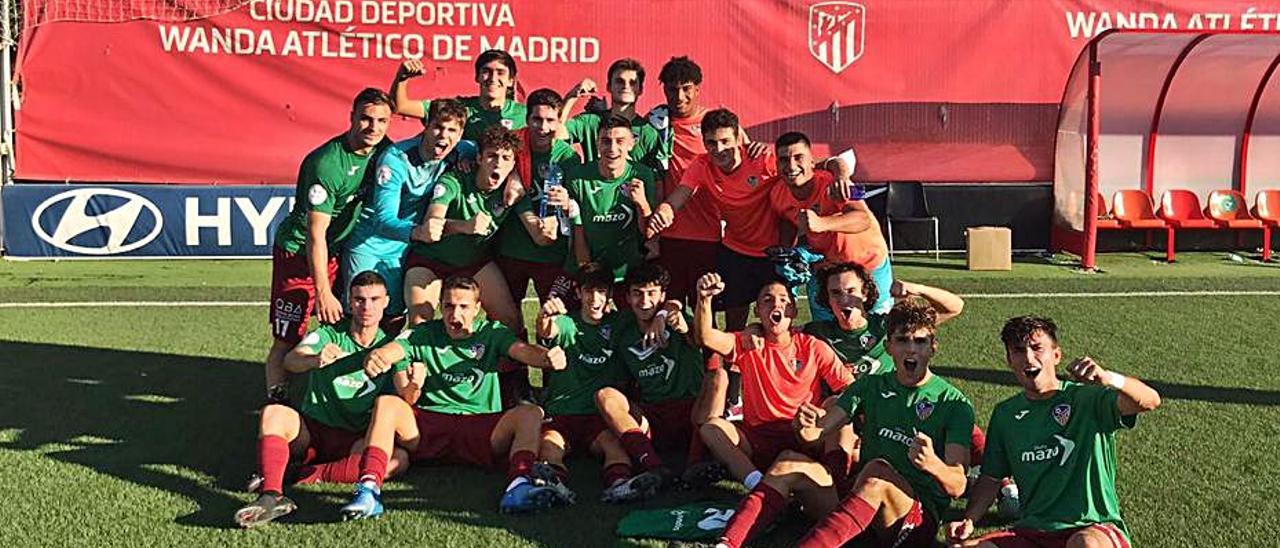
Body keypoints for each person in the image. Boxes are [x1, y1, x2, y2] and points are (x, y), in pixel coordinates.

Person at [338, 276, 572, 519]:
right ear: (440, 307)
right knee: (388, 404)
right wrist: (379, 356)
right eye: (448, 306)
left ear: (477, 308)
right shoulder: (423, 333)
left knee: (530, 413)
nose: (454, 314)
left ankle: (519, 486)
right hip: (429, 425)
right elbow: (394, 349)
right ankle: (368, 490)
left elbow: (522, 351)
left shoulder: (492, 332)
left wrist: (547, 358)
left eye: (463, 307)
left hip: (479, 425)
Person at [944, 316, 1161, 548]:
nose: (1029, 358)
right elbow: (991, 478)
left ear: (1056, 355)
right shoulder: (1006, 414)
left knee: (1085, 545)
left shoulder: (1086, 398)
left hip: (1092, 527)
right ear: (1009, 360)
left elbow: (1150, 400)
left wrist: (1110, 379)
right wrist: (969, 519)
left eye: (1037, 348)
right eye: (1018, 351)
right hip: (1033, 532)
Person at [781, 300, 975, 548]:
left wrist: (933, 464)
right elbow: (814, 434)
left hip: (915, 521)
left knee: (877, 473)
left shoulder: (954, 404)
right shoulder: (869, 386)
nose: (911, 349)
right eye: (903, 340)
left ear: (933, 348)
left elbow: (958, 486)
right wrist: (804, 424)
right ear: (888, 347)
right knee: (787, 465)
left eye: (921, 341)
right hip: (867, 501)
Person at [235, 271, 408, 527]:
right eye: (359, 299)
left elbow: (406, 396)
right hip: (312, 431)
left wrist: (413, 381)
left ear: (386, 302)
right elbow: (290, 360)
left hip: (356, 438)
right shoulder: (329, 334)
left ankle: (303, 475)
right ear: (349, 302)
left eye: (374, 299)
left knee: (398, 460)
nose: (366, 307)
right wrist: (315, 359)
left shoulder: (391, 347)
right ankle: (271, 494)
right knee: (274, 413)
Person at [266, 88, 392, 399]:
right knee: (288, 336)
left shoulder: (383, 151)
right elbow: (315, 234)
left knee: (348, 323)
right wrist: (323, 292)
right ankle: (277, 400)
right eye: (365, 119)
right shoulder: (326, 164)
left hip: (338, 252)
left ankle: (338, 395)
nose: (373, 127)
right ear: (351, 118)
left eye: (381, 121)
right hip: (299, 254)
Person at [690, 272, 853, 491]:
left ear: (793, 312)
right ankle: (757, 484)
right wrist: (704, 299)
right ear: (757, 312)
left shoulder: (812, 347)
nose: (776, 304)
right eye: (767, 300)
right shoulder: (747, 343)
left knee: (838, 405)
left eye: (784, 300)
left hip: (803, 432)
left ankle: (835, 483)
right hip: (758, 437)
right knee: (712, 428)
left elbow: (851, 390)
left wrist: (823, 415)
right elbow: (706, 337)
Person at [594, 262, 720, 501]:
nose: (644, 302)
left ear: (662, 295)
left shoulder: (677, 317)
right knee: (605, 395)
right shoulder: (623, 329)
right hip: (654, 417)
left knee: (718, 375)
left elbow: (698, 340)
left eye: (651, 293)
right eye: (637, 294)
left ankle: (695, 463)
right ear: (628, 297)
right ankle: (653, 467)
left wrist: (675, 321)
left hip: (692, 412)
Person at [343, 99, 475, 322]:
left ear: (461, 133)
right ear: (426, 126)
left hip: (406, 248)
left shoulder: (463, 150)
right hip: (370, 243)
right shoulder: (395, 159)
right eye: (438, 127)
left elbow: (488, 152)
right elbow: (383, 220)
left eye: (452, 130)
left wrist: (469, 159)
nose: (444, 136)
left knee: (394, 317)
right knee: (362, 314)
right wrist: (419, 232)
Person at [648, 108, 777, 332]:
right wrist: (665, 211)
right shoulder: (702, 164)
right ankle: (729, 366)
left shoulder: (762, 159)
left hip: (772, 252)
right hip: (737, 250)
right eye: (712, 143)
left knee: (777, 316)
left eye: (725, 141)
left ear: (738, 138)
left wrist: (839, 169)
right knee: (733, 323)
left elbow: (807, 171)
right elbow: (680, 195)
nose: (719, 149)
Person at [401, 126, 524, 328]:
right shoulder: (454, 180)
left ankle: (499, 360)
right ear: (479, 159)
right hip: (430, 260)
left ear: (513, 164)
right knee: (420, 322)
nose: (498, 164)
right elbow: (431, 224)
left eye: (505, 158)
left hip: (472, 262)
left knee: (511, 321)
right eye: (492, 156)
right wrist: (463, 226)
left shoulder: (512, 189)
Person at [533, 264, 634, 502]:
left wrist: (664, 314)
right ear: (578, 293)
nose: (595, 299)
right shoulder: (568, 323)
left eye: (601, 291)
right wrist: (544, 317)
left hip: (597, 417)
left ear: (610, 294)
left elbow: (653, 310)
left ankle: (621, 486)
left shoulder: (620, 323)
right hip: (562, 412)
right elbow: (548, 330)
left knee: (615, 446)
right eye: (589, 291)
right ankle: (554, 486)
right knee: (549, 447)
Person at [769, 132, 893, 318]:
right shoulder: (777, 193)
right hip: (828, 271)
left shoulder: (834, 182)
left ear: (812, 161)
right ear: (777, 165)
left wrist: (822, 224)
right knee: (826, 335)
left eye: (798, 157)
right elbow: (787, 220)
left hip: (869, 264)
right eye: (784, 160)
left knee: (878, 332)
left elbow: (863, 219)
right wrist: (788, 253)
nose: (791, 165)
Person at [549, 115, 659, 301]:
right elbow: (577, 229)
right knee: (552, 319)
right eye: (606, 141)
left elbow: (648, 233)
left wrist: (642, 203)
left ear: (631, 144)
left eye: (620, 141)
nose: (613, 149)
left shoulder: (642, 174)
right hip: (588, 267)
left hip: (628, 272)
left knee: (631, 326)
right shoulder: (578, 177)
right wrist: (586, 273)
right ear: (598, 144)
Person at [495, 88, 581, 310]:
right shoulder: (510, 145)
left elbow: (576, 205)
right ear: (527, 119)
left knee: (554, 320)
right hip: (510, 250)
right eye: (537, 120)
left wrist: (565, 204)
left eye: (550, 120)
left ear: (559, 121)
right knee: (508, 323)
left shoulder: (568, 156)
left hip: (552, 254)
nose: (543, 128)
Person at [805, 262, 963, 378]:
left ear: (865, 294)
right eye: (835, 293)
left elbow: (955, 307)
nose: (844, 299)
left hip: (885, 409)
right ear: (827, 299)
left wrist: (919, 289)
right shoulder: (816, 333)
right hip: (839, 411)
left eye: (851, 291)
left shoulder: (888, 324)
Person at [647, 56, 717, 305]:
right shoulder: (656, 124)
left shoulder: (715, 124)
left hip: (709, 235)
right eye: (672, 89)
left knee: (704, 310)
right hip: (669, 236)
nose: (679, 96)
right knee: (669, 309)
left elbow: (744, 158)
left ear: (698, 88)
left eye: (686, 89)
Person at [390, 50, 526, 141]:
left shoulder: (524, 114)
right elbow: (400, 106)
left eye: (500, 72)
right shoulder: (458, 108)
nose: (493, 78)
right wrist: (402, 78)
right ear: (477, 77)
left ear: (511, 80)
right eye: (486, 71)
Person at [559, 58, 662, 169]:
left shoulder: (649, 133)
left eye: (632, 83)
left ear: (640, 89)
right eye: (619, 81)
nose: (626, 86)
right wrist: (572, 96)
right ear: (609, 86)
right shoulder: (590, 122)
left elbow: (654, 179)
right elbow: (556, 133)